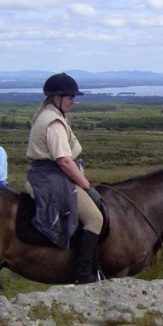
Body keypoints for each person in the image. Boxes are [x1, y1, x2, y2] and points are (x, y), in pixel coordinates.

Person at [25, 73, 103, 284]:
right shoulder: (54, 123)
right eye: (70, 97)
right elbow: (64, 161)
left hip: (46, 174)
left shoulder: (46, 114)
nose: (73, 101)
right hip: (53, 176)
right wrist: (87, 186)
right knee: (95, 219)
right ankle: (83, 274)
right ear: (57, 97)